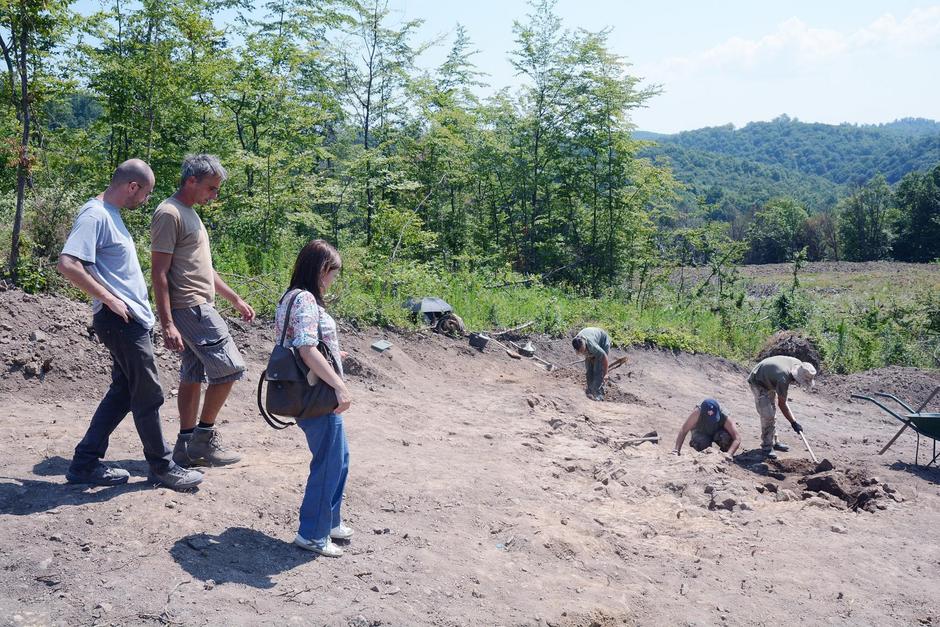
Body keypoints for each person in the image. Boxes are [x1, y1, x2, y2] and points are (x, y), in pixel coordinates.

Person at [57, 159, 203, 490]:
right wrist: (110, 299)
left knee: (124, 391)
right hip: (120, 321)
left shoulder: (111, 215)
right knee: (148, 392)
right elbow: (68, 263)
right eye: (146, 193)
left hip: (126, 319)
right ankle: (163, 466)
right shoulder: (95, 214)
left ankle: (84, 464)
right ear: (132, 186)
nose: (147, 200)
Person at [151, 154, 254, 469]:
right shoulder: (170, 213)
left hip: (199, 304)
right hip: (190, 307)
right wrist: (167, 322)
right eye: (211, 188)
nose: (215, 195)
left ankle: (185, 444)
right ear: (191, 180)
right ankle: (203, 439)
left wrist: (234, 298)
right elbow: (159, 273)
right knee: (230, 368)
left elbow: (205, 269)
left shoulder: (189, 213)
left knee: (193, 374)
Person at [274, 240, 353, 558]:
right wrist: (339, 385)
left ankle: (330, 521)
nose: (333, 279)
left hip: (307, 389)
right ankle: (312, 534)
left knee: (340, 457)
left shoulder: (291, 296)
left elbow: (300, 343)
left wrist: (335, 354)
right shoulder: (305, 299)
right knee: (329, 462)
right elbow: (306, 348)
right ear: (321, 270)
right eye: (333, 272)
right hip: (316, 393)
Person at [747, 355, 817, 459]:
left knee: (772, 412)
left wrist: (794, 422)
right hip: (758, 381)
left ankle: (774, 442)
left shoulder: (798, 364)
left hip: (770, 378)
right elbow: (782, 404)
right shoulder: (783, 378)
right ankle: (767, 447)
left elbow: (781, 401)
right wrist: (794, 423)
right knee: (768, 415)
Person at [672, 398, 741, 456]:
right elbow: (684, 430)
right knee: (702, 444)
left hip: (718, 432)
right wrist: (676, 450)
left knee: (727, 439)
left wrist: (728, 455)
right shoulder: (697, 413)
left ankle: (723, 455)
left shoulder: (724, 415)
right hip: (701, 432)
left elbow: (737, 438)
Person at [572, 327, 611, 401]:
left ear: (584, 344)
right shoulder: (575, 342)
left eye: (583, 350)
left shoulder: (592, 345)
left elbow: (604, 357)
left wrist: (606, 373)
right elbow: (585, 354)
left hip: (602, 342)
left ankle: (599, 395)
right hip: (592, 343)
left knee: (598, 370)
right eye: (581, 351)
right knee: (589, 371)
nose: (583, 352)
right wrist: (590, 357)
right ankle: (590, 391)